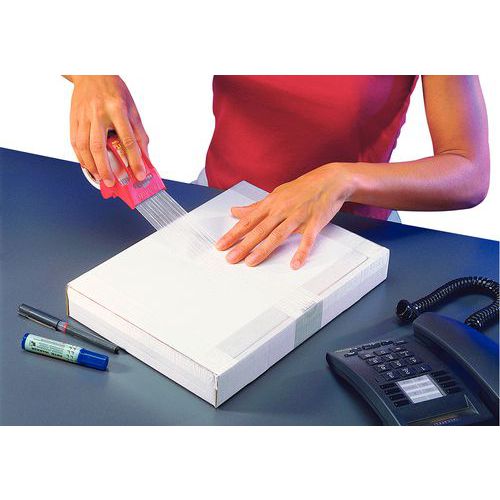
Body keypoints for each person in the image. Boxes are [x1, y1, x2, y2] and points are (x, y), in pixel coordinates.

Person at [64, 75, 489, 269]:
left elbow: (468, 170)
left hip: (346, 237)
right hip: (218, 210)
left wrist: (342, 179)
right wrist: (90, 76)